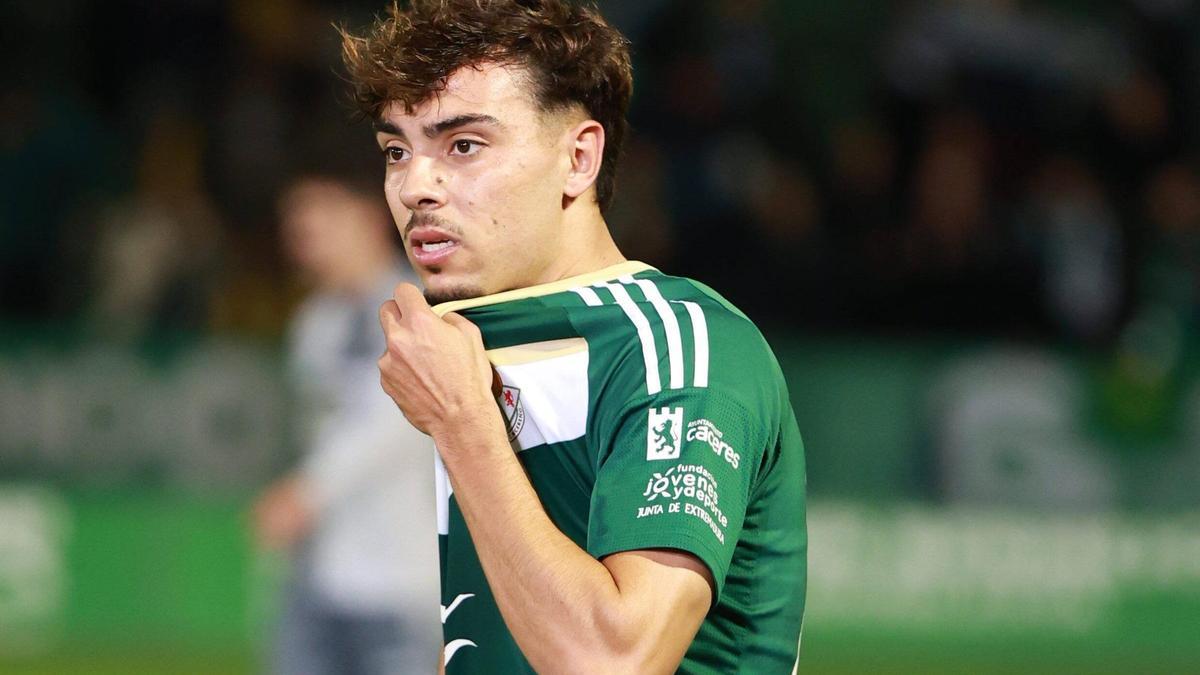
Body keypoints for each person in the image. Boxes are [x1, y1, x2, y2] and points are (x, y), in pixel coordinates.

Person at [342, 1, 807, 671]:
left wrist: (463, 424)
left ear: (578, 158)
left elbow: (611, 660)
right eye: (396, 151)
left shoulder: (677, 344)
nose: (416, 186)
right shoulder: (481, 341)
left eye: (463, 145)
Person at [251, 176, 441, 674]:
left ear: (368, 219)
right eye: (298, 234)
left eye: (319, 229)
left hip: (400, 577)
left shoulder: (421, 309)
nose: (307, 248)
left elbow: (399, 423)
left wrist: (308, 492)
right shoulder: (316, 323)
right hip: (317, 573)